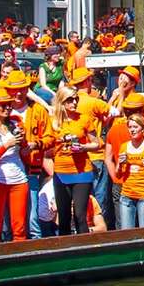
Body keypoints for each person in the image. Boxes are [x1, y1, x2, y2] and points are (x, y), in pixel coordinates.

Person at [46, 86, 102, 235]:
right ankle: (65, 250)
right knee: (63, 216)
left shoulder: (84, 118)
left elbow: (97, 143)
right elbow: (47, 150)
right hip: (61, 172)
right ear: (62, 101)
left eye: (76, 98)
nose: (74, 102)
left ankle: (84, 251)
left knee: (80, 215)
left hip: (82, 171)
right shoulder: (53, 121)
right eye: (70, 99)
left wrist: (83, 147)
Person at [0, 87, 32, 242]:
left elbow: (24, 152)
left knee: (19, 227)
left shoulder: (15, 123)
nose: (7, 108)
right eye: (2, 105)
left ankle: (20, 258)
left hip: (19, 179)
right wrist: (6, 145)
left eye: (9, 104)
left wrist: (24, 142)